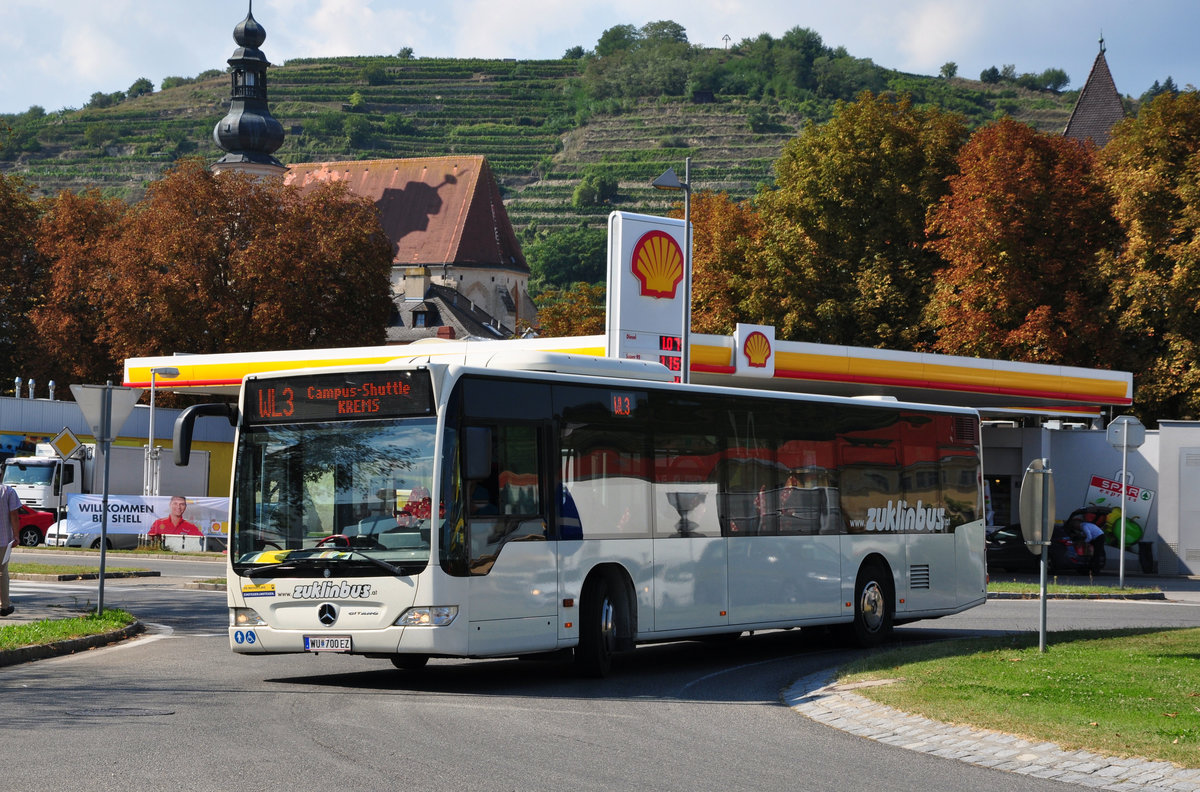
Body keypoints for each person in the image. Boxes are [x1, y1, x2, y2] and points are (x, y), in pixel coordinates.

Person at [1, 482, 19, 616]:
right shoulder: (8, 491)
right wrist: (16, 535)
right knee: (2, 572)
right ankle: (4, 605)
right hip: (3, 540)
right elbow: (14, 514)